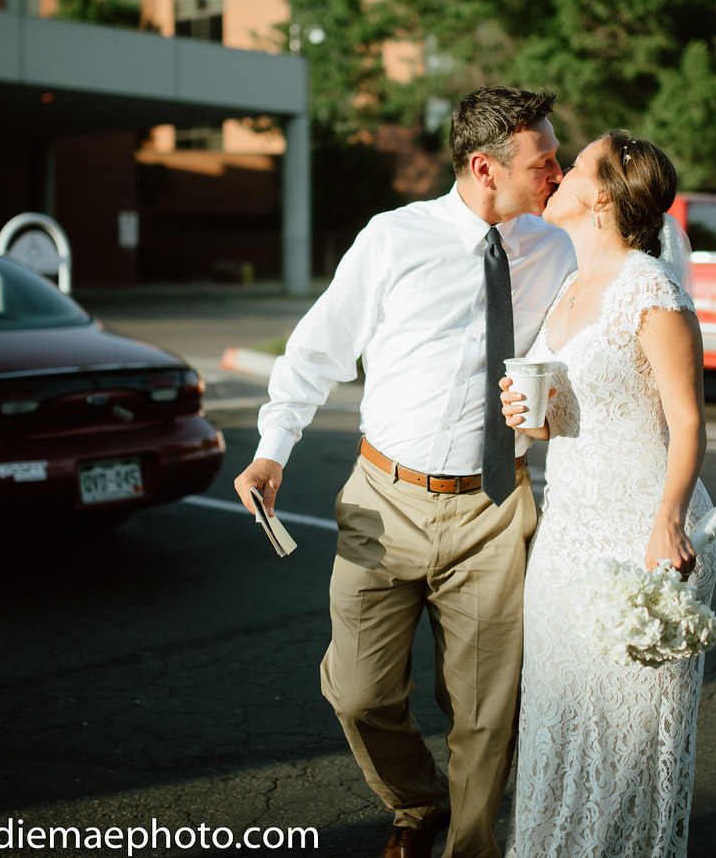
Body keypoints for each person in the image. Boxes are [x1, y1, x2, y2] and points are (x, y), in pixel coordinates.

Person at [234, 86, 575, 858]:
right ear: (486, 167)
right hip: (384, 502)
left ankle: (470, 847)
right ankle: (415, 801)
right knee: (357, 693)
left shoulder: (558, 247)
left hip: (495, 507)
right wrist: (271, 449)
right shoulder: (393, 240)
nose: (555, 171)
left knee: (487, 712)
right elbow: (319, 348)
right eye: (542, 160)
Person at [499, 130, 716, 858]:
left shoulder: (651, 292)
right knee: (559, 724)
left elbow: (686, 421)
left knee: (623, 748)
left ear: (600, 197)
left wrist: (669, 522)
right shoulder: (569, 284)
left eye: (575, 167)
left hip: (638, 534)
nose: (555, 176)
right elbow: (573, 412)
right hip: (566, 536)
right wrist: (529, 417)